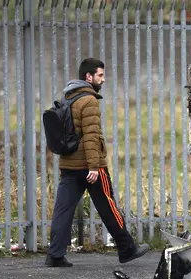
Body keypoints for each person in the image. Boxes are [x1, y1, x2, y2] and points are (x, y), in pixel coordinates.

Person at [46, 57, 149, 267]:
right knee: (108, 206)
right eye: (100, 75)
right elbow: (92, 135)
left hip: (69, 166)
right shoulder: (89, 100)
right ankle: (127, 249)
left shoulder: (68, 98)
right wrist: (94, 166)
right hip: (91, 167)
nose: (103, 79)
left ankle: (54, 255)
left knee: (63, 210)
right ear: (88, 76)